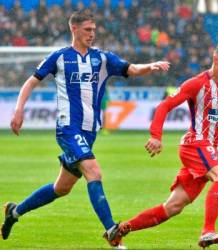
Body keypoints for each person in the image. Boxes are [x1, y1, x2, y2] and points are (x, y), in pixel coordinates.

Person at [1, 10, 170, 249]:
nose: (93, 34)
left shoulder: (101, 58)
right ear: (74, 29)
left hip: (90, 131)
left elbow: (131, 69)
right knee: (93, 170)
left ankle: (14, 212)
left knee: (61, 188)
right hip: (68, 128)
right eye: (88, 30)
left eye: (94, 30)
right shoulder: (59, 57)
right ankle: (112, 230)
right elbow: (31, 81)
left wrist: (150, 66)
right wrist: (18, 110)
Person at [105, 42, 218, 248]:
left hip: (207, 150)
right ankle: (207, 231)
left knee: (173, 206)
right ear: (216, 59)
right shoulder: (196, 84)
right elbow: (165, 105)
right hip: (195, 143)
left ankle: (119, 230)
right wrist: (156, 135)